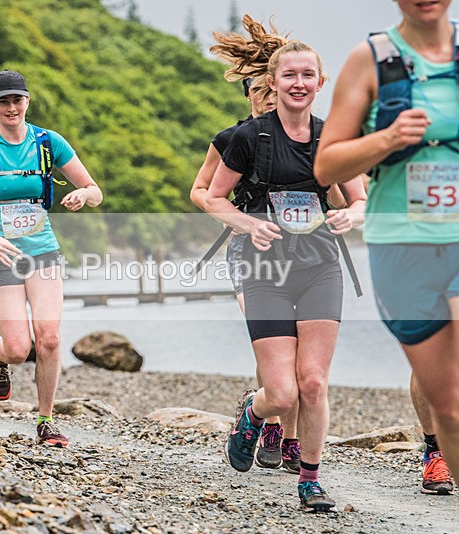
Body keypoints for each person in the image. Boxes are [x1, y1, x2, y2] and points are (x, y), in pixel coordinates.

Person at [205, 40, 367, 511]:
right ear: (273, 84)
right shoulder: (248, 138)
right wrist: (249, 222)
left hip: (319, 267)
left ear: (321, 82)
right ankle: (252, 416)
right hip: (265, 271)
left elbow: (358, 199)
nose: (299, 84)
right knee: (281, 391)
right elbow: (214, 199)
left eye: (307, 75)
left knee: (313, 383)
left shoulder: (333, 137)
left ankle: (311, 480)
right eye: (290, 76)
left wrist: (350, 216)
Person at [313, 0, 459, 495]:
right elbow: (327, 166)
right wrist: (388, 139)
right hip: (405, 243)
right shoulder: (370, 59)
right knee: (450, 406)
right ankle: (436, 450)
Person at [0, 70, 102, 448]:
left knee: (48, 338)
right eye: (3, 101)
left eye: (17, 100)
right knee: (18, 350)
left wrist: (84, 196)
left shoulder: (48, 142)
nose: (11, 107)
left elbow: (95, 190)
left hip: (42, 249)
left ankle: (46, 419)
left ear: (27, 101)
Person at [192, 14, 300, 474]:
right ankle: (271, 422)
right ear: (249, 95)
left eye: (272, 89)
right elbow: (201, 191)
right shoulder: (232, 138)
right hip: (247, 251)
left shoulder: (306, 136)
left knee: (294, 348)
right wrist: (237, 219)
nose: (267, 98)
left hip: (302, 251)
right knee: (272, 341)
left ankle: (284, 433)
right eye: (258, 90)